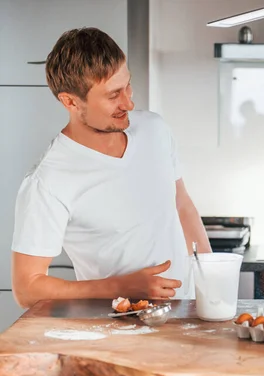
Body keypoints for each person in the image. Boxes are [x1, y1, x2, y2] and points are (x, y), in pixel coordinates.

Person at [11, 27, 211, 309]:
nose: (129, 102)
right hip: (115, 327)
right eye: (113, 95)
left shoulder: (155, 129)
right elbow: (27, 288)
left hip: (185, 315)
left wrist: (209, 276)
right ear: (70, 101)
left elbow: (181, 204)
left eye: (127, 85)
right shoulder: (49, 180)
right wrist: (121, 287)